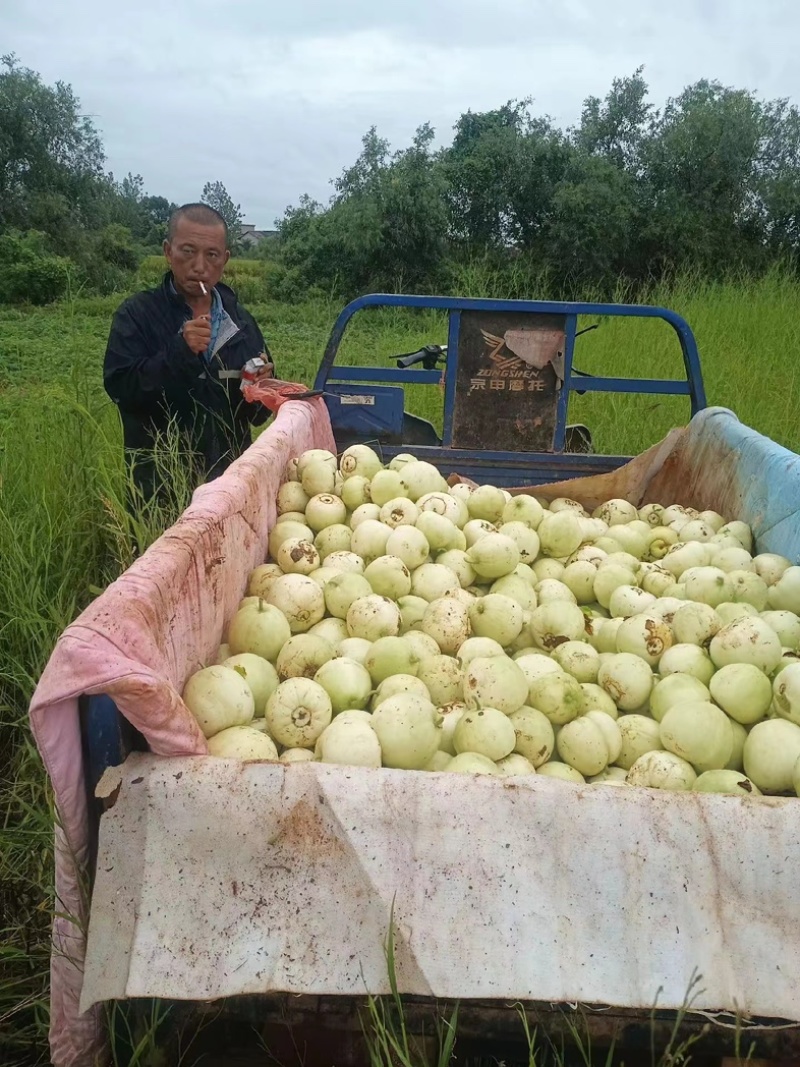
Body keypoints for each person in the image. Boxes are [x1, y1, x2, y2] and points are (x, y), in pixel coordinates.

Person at [104, 202, 275, 506]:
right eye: (187, 251)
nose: (199, 266)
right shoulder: (138, 314)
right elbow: (121, 388)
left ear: (225, 259)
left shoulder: (242, 323)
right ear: (168, 252)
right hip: (158, 491)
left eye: (211, 255)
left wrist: (261, 388)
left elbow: (257, 416)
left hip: (229, 489)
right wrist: (179, 352)